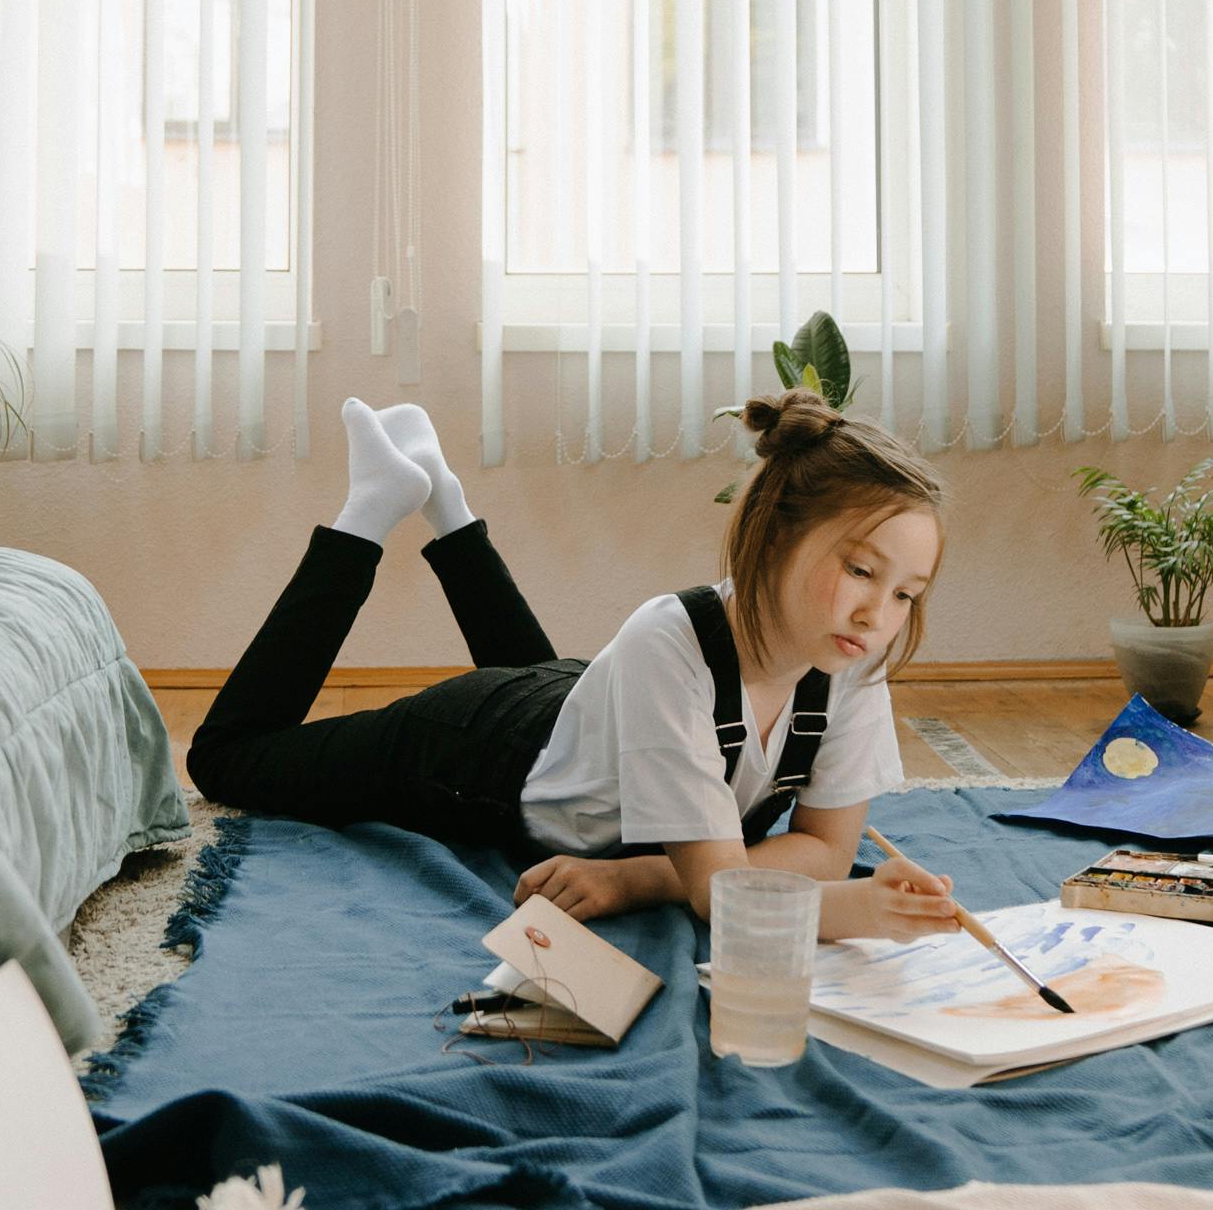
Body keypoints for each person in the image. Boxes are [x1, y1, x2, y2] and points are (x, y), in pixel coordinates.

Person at [185, 390, 959, 939]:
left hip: (579, 721)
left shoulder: (850, 660)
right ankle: (374, 507)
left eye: (906, 594)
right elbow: (726, 898)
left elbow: (824, 850)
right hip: (480, 749)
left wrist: (643, 876)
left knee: (558, 690)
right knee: (230, 759)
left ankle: (444, 497)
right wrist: (854, 911)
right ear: (773, 535)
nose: (877, 614)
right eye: (859, 571)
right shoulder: (669, 642)